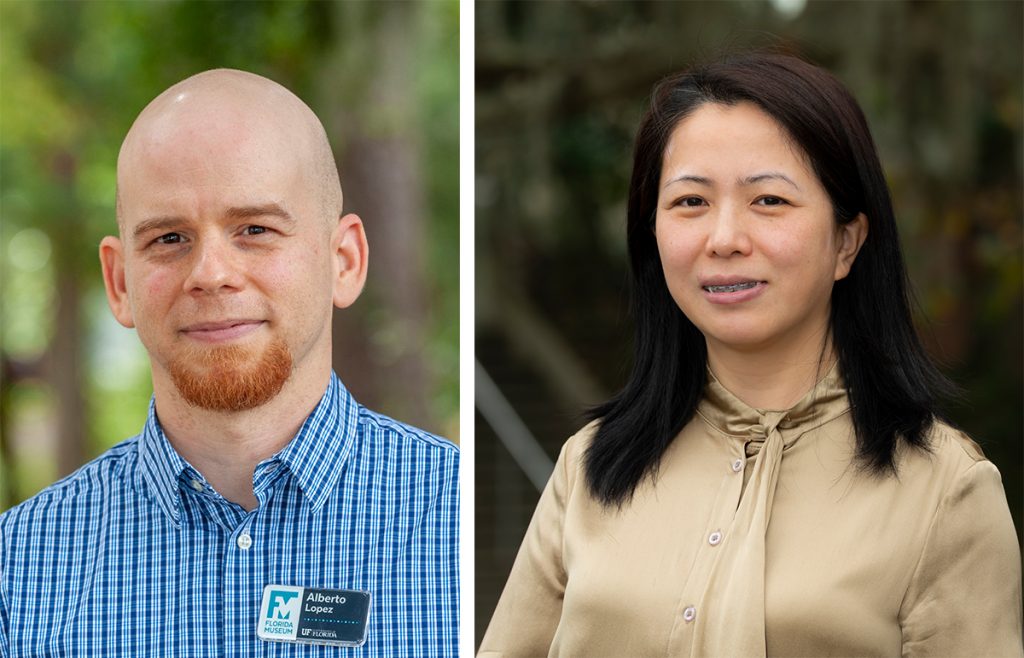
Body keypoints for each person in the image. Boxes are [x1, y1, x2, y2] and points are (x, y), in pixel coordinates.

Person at [479, 53, 1022, 657]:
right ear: (652, 233)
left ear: (847, 241)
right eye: (690, 202)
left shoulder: (945, 491)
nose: (724, 239)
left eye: (768, 201)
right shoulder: (590, 466)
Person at [0, 69, 458, 657]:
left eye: (255, 229)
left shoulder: (455, 521)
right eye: (169, 239)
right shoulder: (20, 573)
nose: (211, 273)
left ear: (344, 260)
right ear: (118, 282)